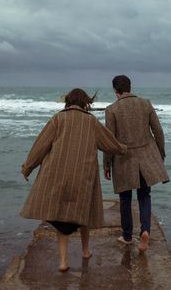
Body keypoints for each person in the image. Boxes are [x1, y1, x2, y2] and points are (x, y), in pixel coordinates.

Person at [21, 88, 127, 271]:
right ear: (86, 103)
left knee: (61, 218)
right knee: (82, 213)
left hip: (57, 175)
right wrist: (124, 148)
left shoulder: (58, 119)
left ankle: (63, 261)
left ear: (68, 102)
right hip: (83, 176)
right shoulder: (91, 122)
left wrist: (28, 168)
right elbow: (109, 144)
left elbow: (40, 146)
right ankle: (86, 251)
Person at [104, 75, 169, 251]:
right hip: (146, 157)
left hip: (124, 160)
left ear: (115, 90)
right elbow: (158, 132)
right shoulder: (145, 103)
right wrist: (160, 154)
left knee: (125, 199)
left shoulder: (112, 110)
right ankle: (145, 231)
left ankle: (127, 236)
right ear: (130, 87)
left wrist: (106, 165)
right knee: (144, 195)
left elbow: (110, 141)